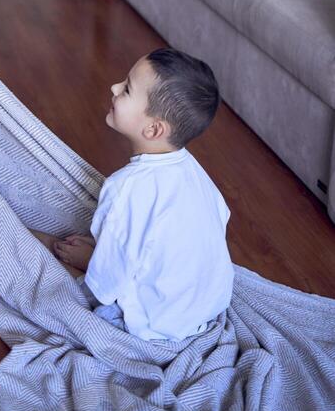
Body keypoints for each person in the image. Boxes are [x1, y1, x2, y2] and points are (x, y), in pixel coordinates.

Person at [33, 47, 234, 341]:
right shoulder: (191, 168)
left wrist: (90, 259)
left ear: (153, 129)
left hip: (154, 323)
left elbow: (108, 282)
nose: (114, 88)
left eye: (126, 89)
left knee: (42, 246)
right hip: (206, 307)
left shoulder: (126, 187)